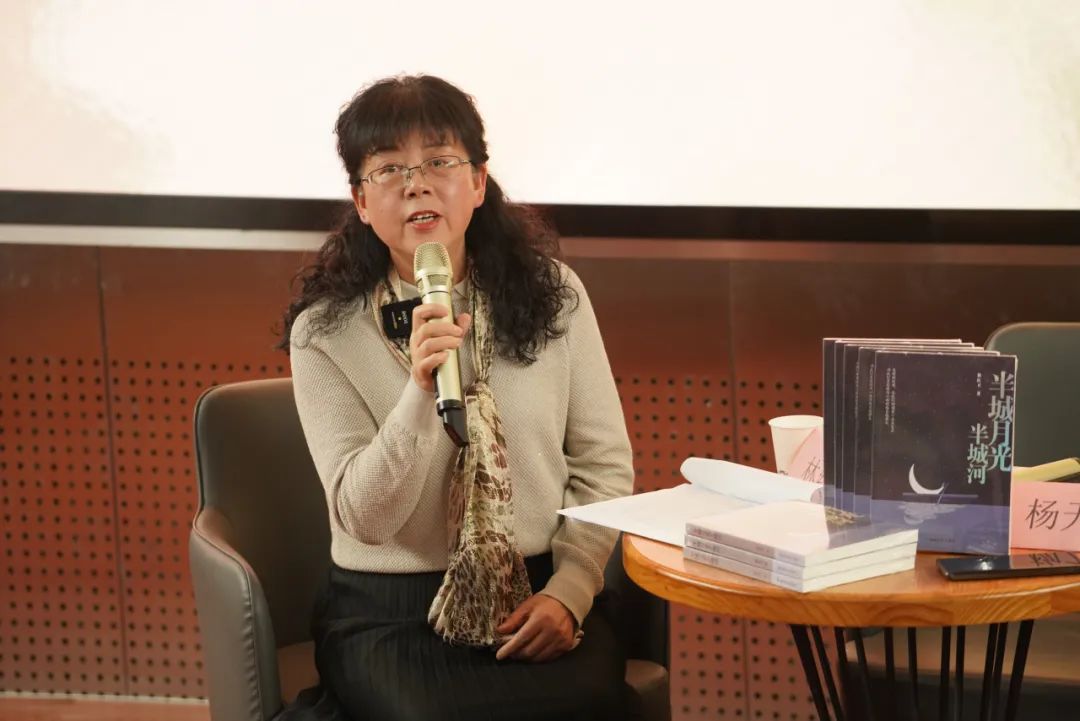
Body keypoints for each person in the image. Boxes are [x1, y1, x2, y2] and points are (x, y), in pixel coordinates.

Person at [278, 74, 633, 721]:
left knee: (591, 703)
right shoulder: (324, 332)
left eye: (439, 161)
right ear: (361, 201)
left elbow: (603, 464)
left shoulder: (555, 297)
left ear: (477, 182)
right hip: (390, 614)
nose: (415, 184)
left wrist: (572, 590)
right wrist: (419, 395)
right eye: (389, 168)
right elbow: (364, 518)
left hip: (537, 595)